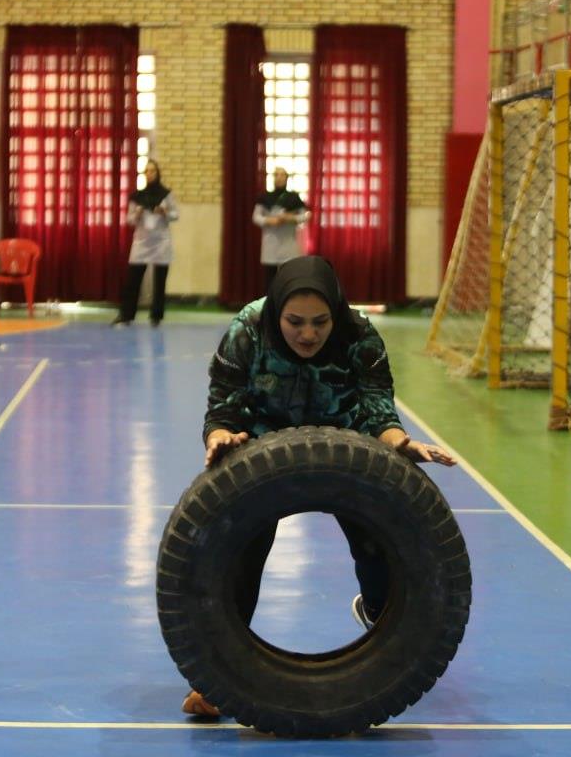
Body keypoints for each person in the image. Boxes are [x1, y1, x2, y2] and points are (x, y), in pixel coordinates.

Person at [184, 255, 457, 716]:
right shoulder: (248, 328)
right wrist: (220, 436)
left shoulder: (360, 334)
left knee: (379, 545)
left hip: (348, 452)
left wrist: (400, 442)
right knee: (240, 555)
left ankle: (383, 629)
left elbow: (377, 408)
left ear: (336, 314)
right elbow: (222, 408)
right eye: (295, 322)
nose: (308, 334)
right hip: (261, 453)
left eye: (320, 322)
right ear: (277, 313)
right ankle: (216, 681)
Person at [114, 160, 178, 326]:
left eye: (153, 171)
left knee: (160, 280)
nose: (150, 174)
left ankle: (156, 316)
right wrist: (137, 213)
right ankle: (126, 315)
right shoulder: (137, 196)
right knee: (133, 279)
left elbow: (175, 215)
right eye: (147, 171)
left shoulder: (166, 194)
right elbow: (129, 220)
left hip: (161, 241)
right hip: (142, 242)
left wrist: (164, 212)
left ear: (157, 173)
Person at [252, 167, 310, 288]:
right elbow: (256, 217)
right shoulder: (264, 197)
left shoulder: (294, 197)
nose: (279, 178)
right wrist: (269, 220)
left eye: (282, 175)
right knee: (270, 280)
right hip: (270, 244)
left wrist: (291, 218)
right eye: (276, 175)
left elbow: (305, 216)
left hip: (289, 244)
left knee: (290, 278)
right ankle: (270, 299)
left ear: (286, 178)